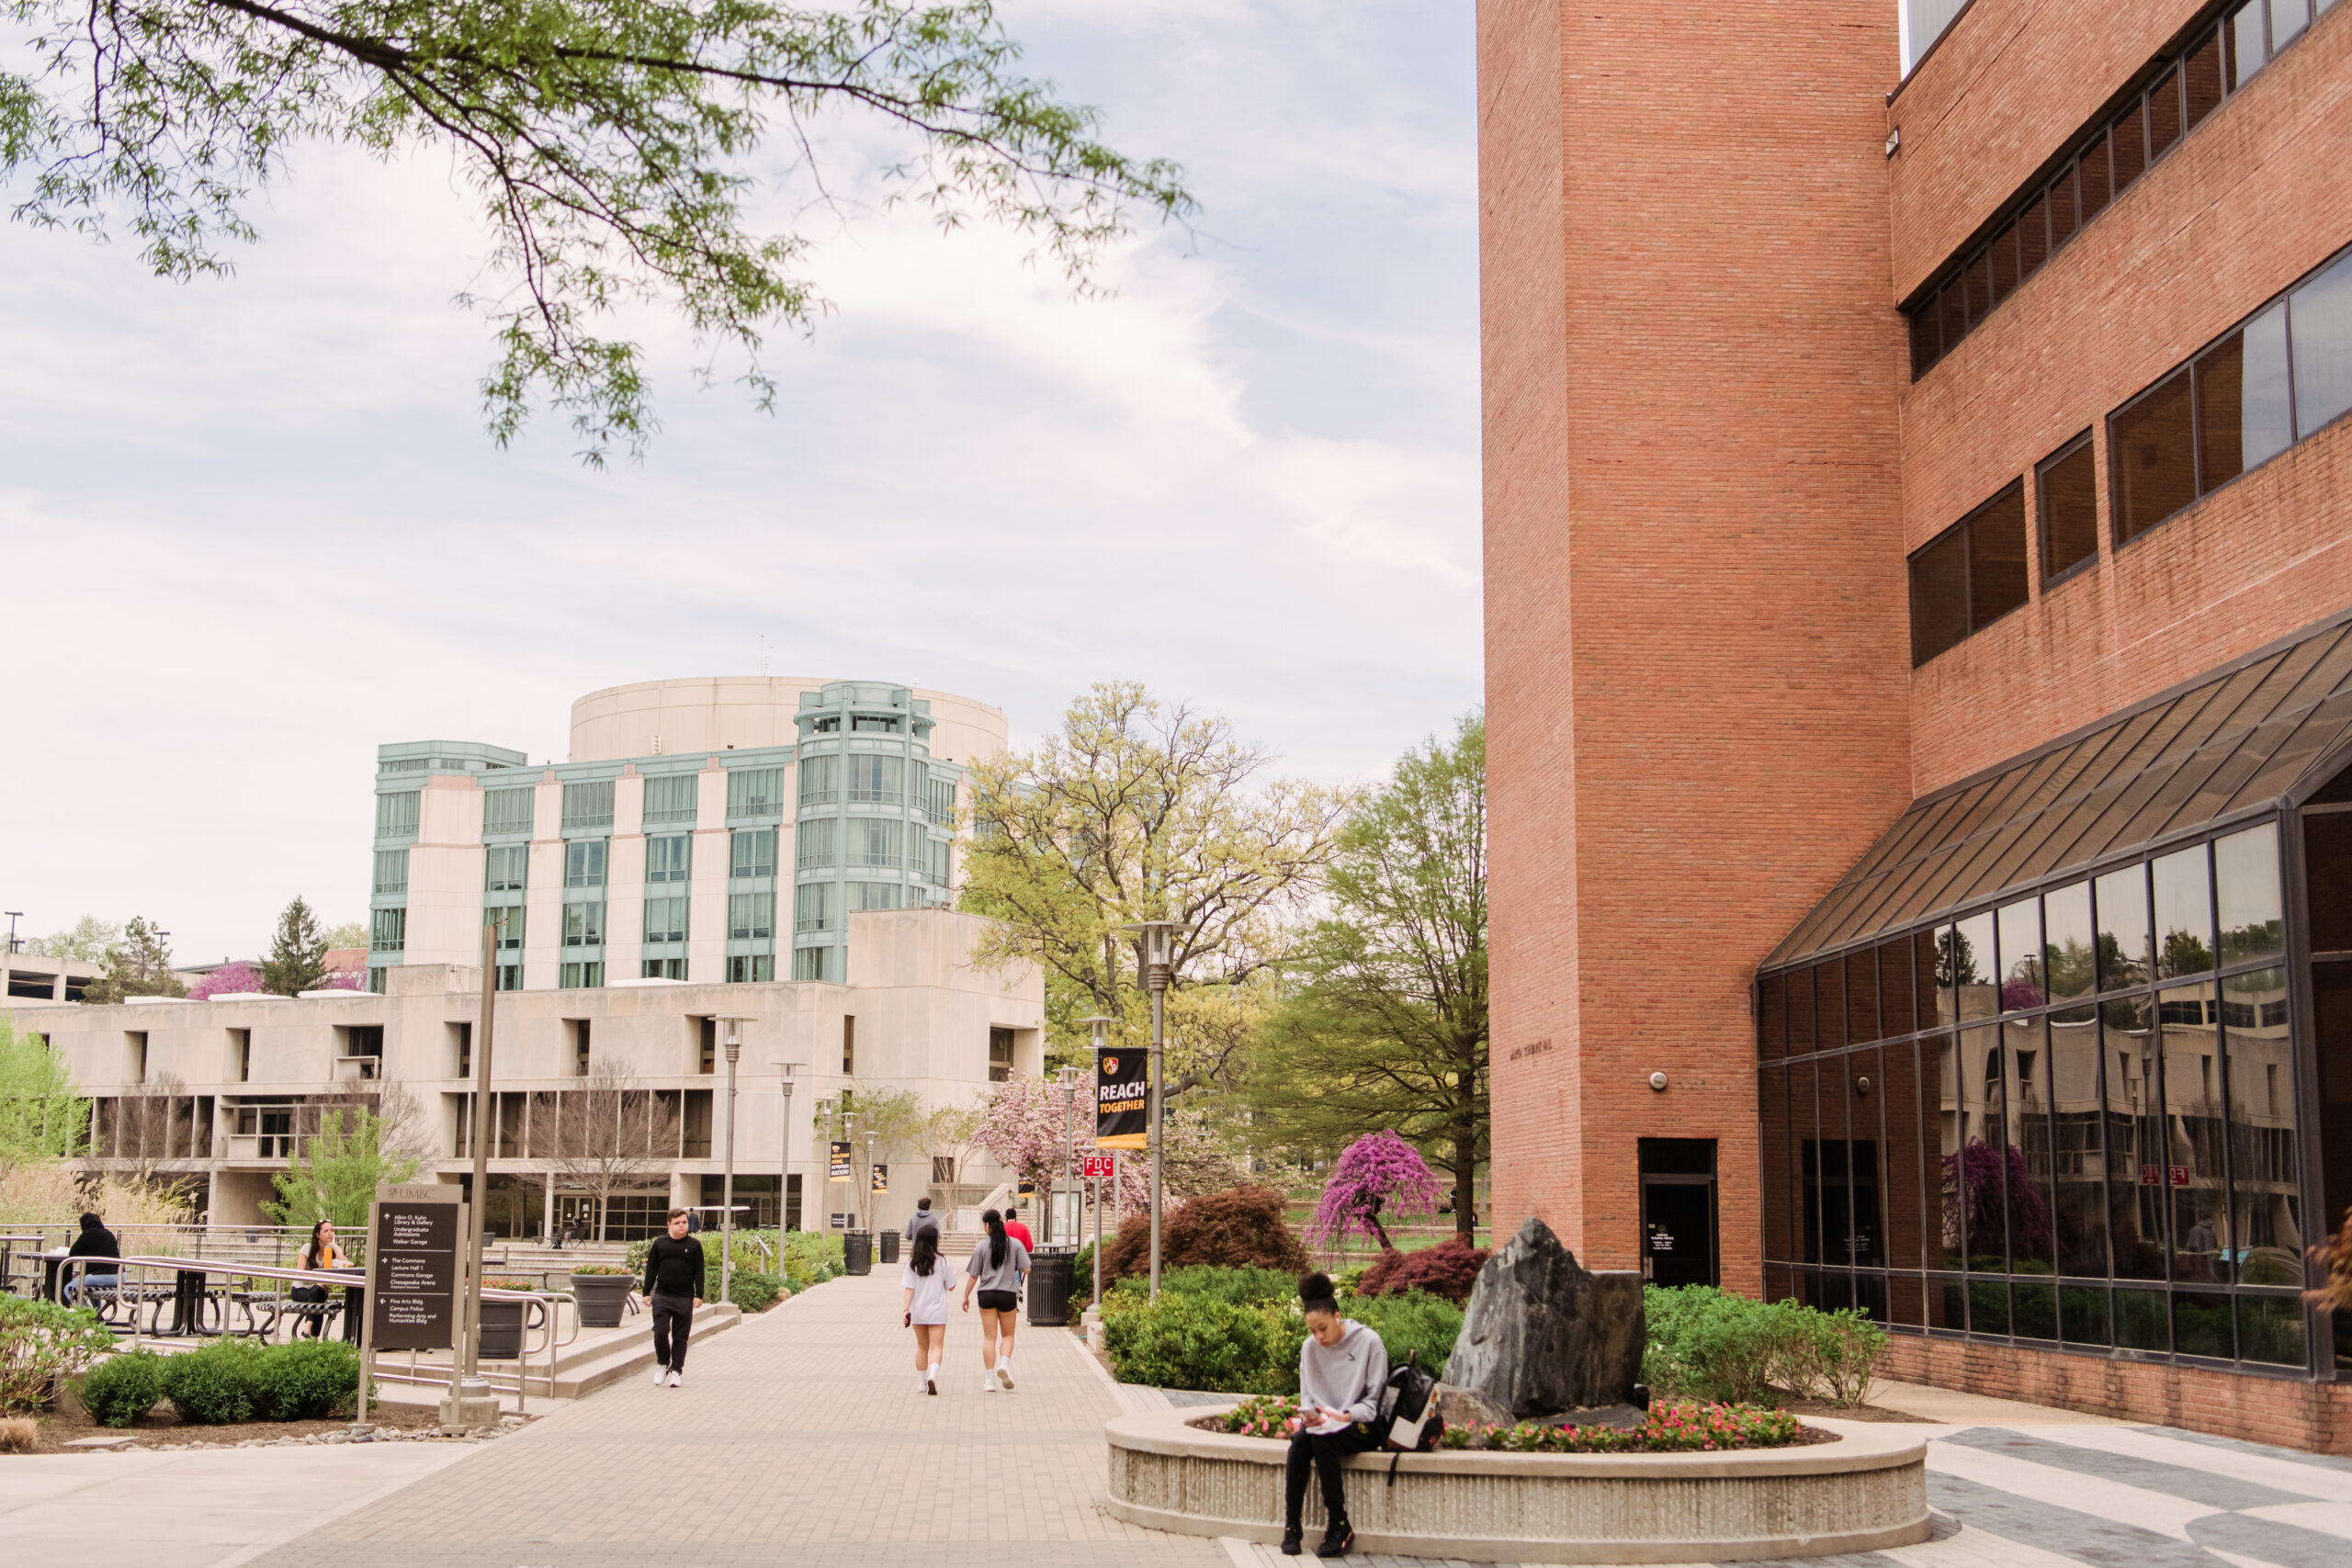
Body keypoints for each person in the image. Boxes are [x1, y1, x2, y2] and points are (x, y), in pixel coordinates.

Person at [1279, 1271, 1388, 1559]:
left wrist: (1341, 1417)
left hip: (1361, 1424)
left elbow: (1373, 1405)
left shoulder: (1369, 1342)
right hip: (1323, 1426)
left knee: (1322, 1441)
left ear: (1337, 1317)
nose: (1318, 1337)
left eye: (1323, 1328)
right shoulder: (1309, 1348)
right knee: (1301, 1441)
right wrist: (1311, 1416)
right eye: (1312, 1330)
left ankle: (1339, 1524)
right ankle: (1292, 1526)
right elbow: (1308, 1398)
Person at [959, 1207, 1029, 1392]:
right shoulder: (1015, 1245)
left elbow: (973, 1276)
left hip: (986, 1294)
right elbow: (1027, 1268)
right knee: (1008, 1335)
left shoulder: (981, 1247)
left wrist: (965, 1296)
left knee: (989, 1337)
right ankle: (1004, 1365)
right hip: (1007, 1294)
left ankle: (989, 1381)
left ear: (987, 1225)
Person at [641, 1208, 706, 1388]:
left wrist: (699, 1294)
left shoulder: (694, 1246)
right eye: (677, 1223)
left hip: (685, 1297)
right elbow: (652, 1269)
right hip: (663, 1296)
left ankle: (676, 1370)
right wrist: (646, 1292)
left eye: (684, 1222)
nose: (682, 1226)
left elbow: (699, 1271)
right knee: (660, 1331)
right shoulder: (660, 1244)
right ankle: (663, 1364)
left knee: (680, 1336)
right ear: (669, 1224)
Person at [901, 1225, 953, 1395]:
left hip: (918, 1311)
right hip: (937, 1310)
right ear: (934, 1240)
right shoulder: (943, 1262)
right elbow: (951, 1286)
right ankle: (933, 1375)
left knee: (922, 1347)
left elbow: (909, 1289)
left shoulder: (911, 1264)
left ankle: (922, 1383)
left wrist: (905, 1310)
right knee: (937, 1347)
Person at [291, 1219, 346, 1338]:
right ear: (317, 1234)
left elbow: (346, 1263)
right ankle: (312, 1335)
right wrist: (318, 1281)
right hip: (300, 1289)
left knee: (318, 1295)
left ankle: (308, 1331)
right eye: (326, 1231)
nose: (330, 1233)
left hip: (317, 1290)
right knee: (318, 1299)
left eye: (331, 1230)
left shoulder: (330, 1250)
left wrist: (335, 1247)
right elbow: (299, 1272)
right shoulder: (308, 1247)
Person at [64, 1212, 120, 1308]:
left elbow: (72, 1253)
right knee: (89, 1282)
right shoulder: (109, 1234)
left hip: (103, 1276)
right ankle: (96, 1311)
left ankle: (90, 1313)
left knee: (68, 1289)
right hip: (120, 1275)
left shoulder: (88, 1234)